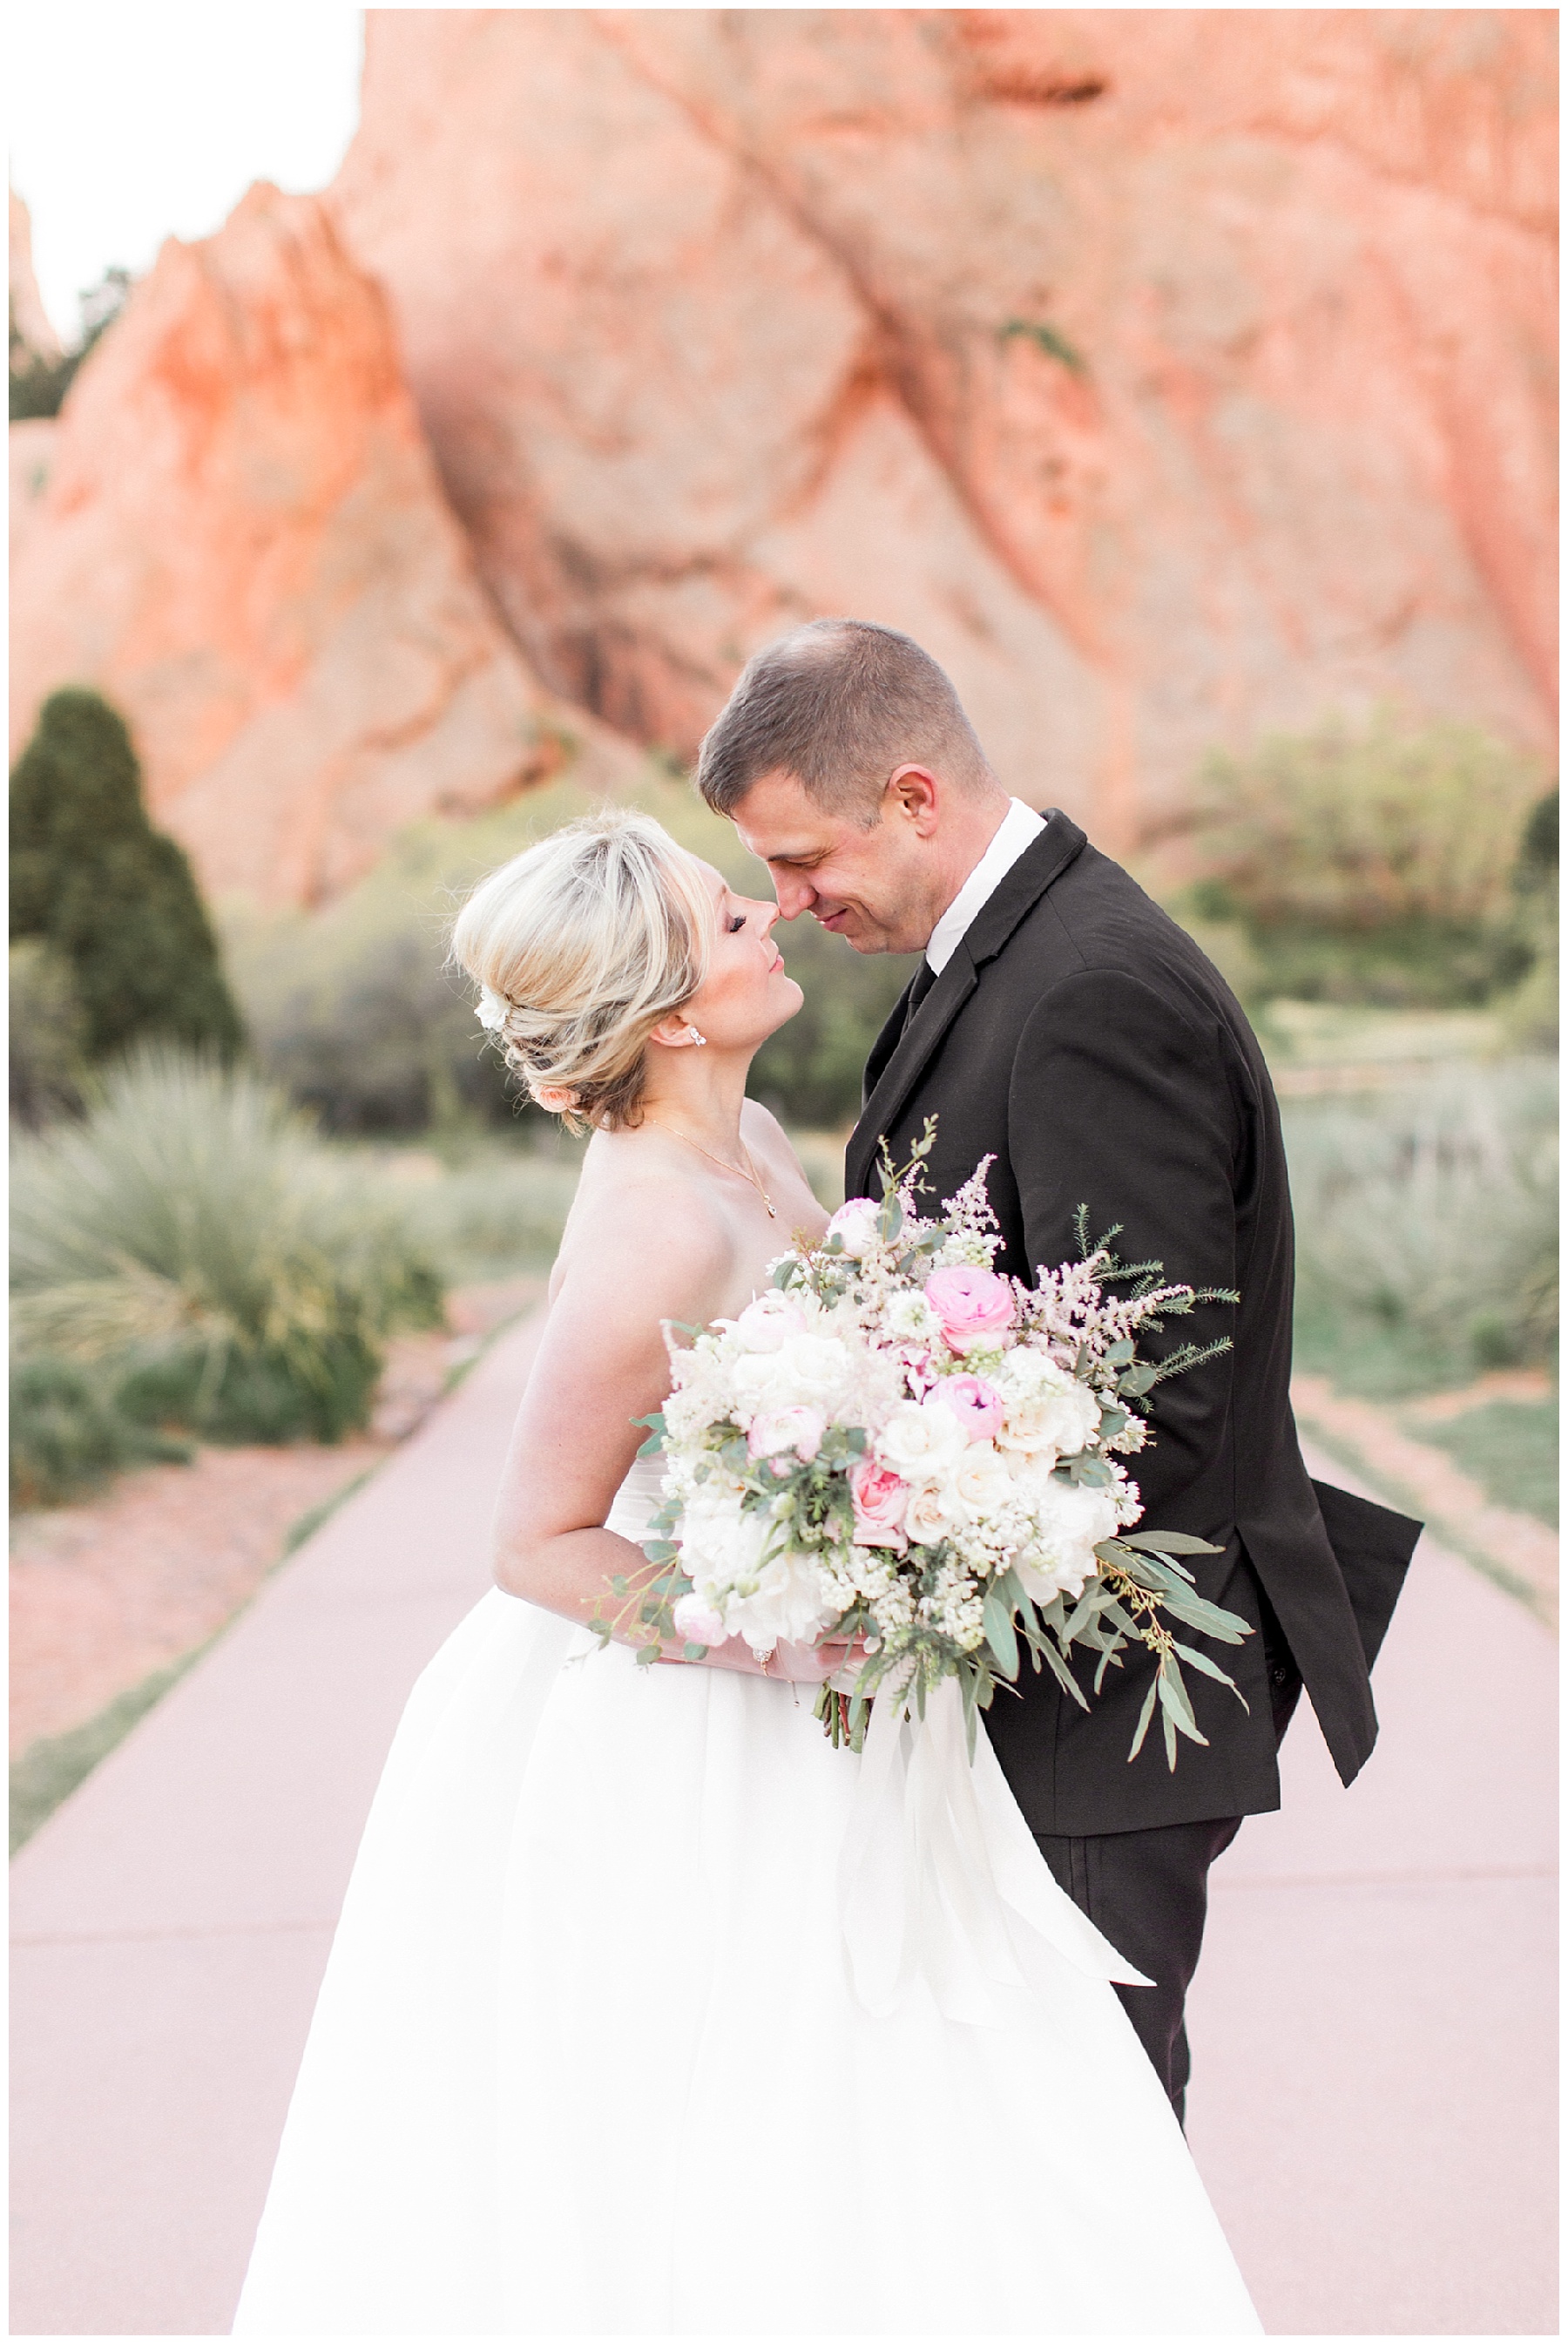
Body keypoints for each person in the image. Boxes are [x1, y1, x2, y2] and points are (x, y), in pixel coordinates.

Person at [233, 808, 1260, 2335]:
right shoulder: (650, 1226)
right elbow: (534, 1540)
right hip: (700, 1723)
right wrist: (790, 1640)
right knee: (744, 2114)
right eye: (727, 920)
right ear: (664, 1015)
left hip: (841, 1686)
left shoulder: (758, 1140)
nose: (766, 917)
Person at [696, 617, 1421, 2122]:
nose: (792, 902)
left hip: (1101, 1700)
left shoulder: (1091, 988)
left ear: (912, 797)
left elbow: (1153, 1392)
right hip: (1035, 1686)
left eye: (803, 858)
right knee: (1022, 2143)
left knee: (1090, 2146)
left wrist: (901, 1528)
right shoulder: (998, 957)